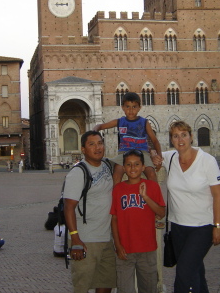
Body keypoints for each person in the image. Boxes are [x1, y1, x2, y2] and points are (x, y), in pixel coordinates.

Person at [152, 120, 220, 292]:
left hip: (202, 227)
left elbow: (218, 195)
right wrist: (155, 155)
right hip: (178, 226)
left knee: (184, 274)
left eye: (184, 135)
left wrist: (218, 226)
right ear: (172, 140)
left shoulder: (207, 161)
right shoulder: (170, 158)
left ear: (191, 137)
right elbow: (154, 153)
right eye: (175, 136)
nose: (180, 139)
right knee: (196, 272)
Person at [63, 130, 116, 293]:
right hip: (86, 240)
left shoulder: (108, 166)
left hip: (106, 239)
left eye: (100, 143)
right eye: (91, 144)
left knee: (106, 285)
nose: (97, 147)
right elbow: (68, 207)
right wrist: (75, 239)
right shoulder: (78, 173)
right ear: (83, 149)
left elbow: (133, 162)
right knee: (82, 287)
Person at [110, 149, 165, 293]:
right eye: (128, 164)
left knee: (148, 289)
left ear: (142, 167)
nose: (132, 168)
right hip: (125, 249)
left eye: (136, 164)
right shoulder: (118, 189)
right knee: (125, 289)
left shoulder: (152, 186)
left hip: (147, 248)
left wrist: (146, 197)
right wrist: (117, 244)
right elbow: (114, 218)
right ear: (123, 167)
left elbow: (161, 212)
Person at [93, 92, 162, 185]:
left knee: (151, 173)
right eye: (127, 106)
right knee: (117, 174)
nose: (131, 110)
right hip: (124, 154)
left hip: (142, 153)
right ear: (123, 108)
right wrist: (94, 132)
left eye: (134, 107)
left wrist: (159, 157)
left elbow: (155, 141)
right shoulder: (119, 121)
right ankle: (115, 198)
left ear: (139, 108)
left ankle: (156, 198)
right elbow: (100, 126)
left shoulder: (144, 122)